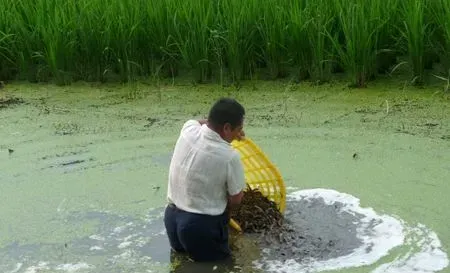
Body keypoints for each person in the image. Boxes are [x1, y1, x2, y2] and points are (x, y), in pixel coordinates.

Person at [164, 97, 247, 262]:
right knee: (220, 268)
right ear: (227, 128)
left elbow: (199, 122)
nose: (240, 134)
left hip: (172, 217)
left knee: (183, 265)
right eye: (239, 129)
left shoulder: (188, 130)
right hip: (200, 227)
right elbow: (236, 199)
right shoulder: (229, 156)